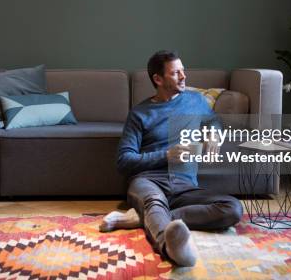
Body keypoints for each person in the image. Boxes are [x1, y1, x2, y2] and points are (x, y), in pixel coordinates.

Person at [103, 50, 243, 267]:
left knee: (232, 208)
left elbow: (214, 120)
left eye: (183, 71)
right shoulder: (140, 113)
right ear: (158, 79)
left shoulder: (195, 101)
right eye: (176, 73)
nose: (184, 76)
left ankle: (145, 218)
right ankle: (171, 248)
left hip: (184, 184)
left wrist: (214, 132)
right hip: (147, 181)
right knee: (154, 202)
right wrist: (166, 155)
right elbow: (124, 161)